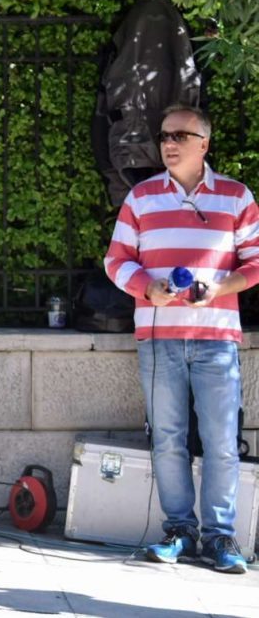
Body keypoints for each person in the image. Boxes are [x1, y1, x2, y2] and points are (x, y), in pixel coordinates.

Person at [105, 104, 256, 574]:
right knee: (167, 439)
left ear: (204, 143)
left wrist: (219, 289)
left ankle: (220, 537)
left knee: (222, 441)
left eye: (180, 136)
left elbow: (256, 262)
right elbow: (116, 260)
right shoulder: (141, 197)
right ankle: (178, 532)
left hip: (216, 339)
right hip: (158, 338)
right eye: (165, 135)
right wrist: (147, 288)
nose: (168, 143)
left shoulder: (236, 196)